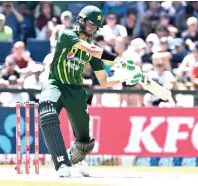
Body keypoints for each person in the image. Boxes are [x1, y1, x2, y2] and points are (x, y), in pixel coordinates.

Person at [38, 5, 143, 178]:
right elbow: (92, 50)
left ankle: (77, 159)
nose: (92, 29)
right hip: (56, 84)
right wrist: (119, 60)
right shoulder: (67, 35)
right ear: (80, 20)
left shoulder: (93, 49)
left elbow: (104, 81)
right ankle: (62, 163)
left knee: (85, 143)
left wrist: (125, 78)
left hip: (76, 91)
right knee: (47, 110)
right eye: (90, 25)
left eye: (95, 27)